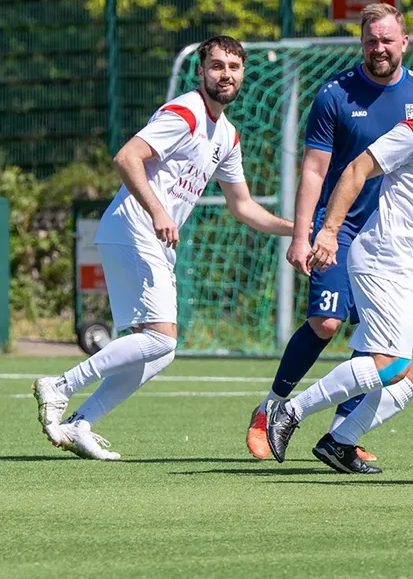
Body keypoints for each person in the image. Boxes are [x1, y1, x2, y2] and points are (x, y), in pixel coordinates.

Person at [33, 37, 292, 457]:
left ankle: (81, 423)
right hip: (135, 227)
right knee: (161, 340)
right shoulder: (186, 111)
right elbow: (126, 157)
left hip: (145, 237)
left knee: (157, 353)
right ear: (201, 72)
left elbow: (243, 207)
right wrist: (157, 211)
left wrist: (297, 230)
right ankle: (60, 385)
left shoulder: (226, 135)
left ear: (243, 74)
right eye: (217, 66)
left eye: (234, 67)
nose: (225, 75)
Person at [264, 60, 413, 472]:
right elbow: (357, 169)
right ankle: (289, 412)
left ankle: (340, 441)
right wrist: (329, 230)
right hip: (383, 257)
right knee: (390, 362)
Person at [246, 3, 413, 461]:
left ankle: (342, 435)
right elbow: (314, 170)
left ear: (404, 42)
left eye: (387, 40)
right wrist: (303, 233)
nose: (379, 48)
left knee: (385, 347)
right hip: (340, 230)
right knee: (327, 322)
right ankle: (271, 407)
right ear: (361, 43)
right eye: (371, 40)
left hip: (394, 241)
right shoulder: (335, 95)